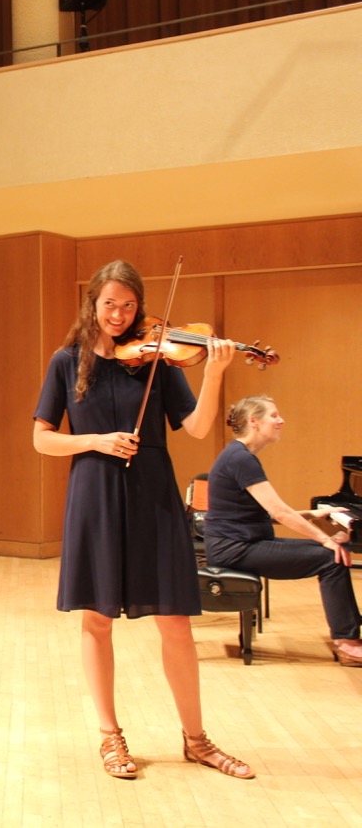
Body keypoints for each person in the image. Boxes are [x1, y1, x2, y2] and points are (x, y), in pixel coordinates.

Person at [32, 259, 254, 780]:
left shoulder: (158, 359)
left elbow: (196, 428)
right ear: (92, 303)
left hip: (153, 493)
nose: (119, 314)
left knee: (175, 621)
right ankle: (110, 736)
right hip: (94, 494)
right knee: (97, 618)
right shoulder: (66, 361)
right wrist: (96, 441)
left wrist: (214, 372)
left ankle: (197, 740)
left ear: (140, 307)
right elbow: (41, 439)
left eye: (129, 305)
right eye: (109, 304)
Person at [203, 395, 362, 666]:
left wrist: (310, 514)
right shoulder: (241, 459)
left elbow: (258, 512)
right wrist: (324, 539)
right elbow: (279, 512)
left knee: (333, 552)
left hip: (239, 543)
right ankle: (346, 642)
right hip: (235, 549)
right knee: (330, 558)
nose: (281, 421)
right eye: (274, 415)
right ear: (254, 421)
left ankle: (347, 632)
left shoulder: (238, 454)